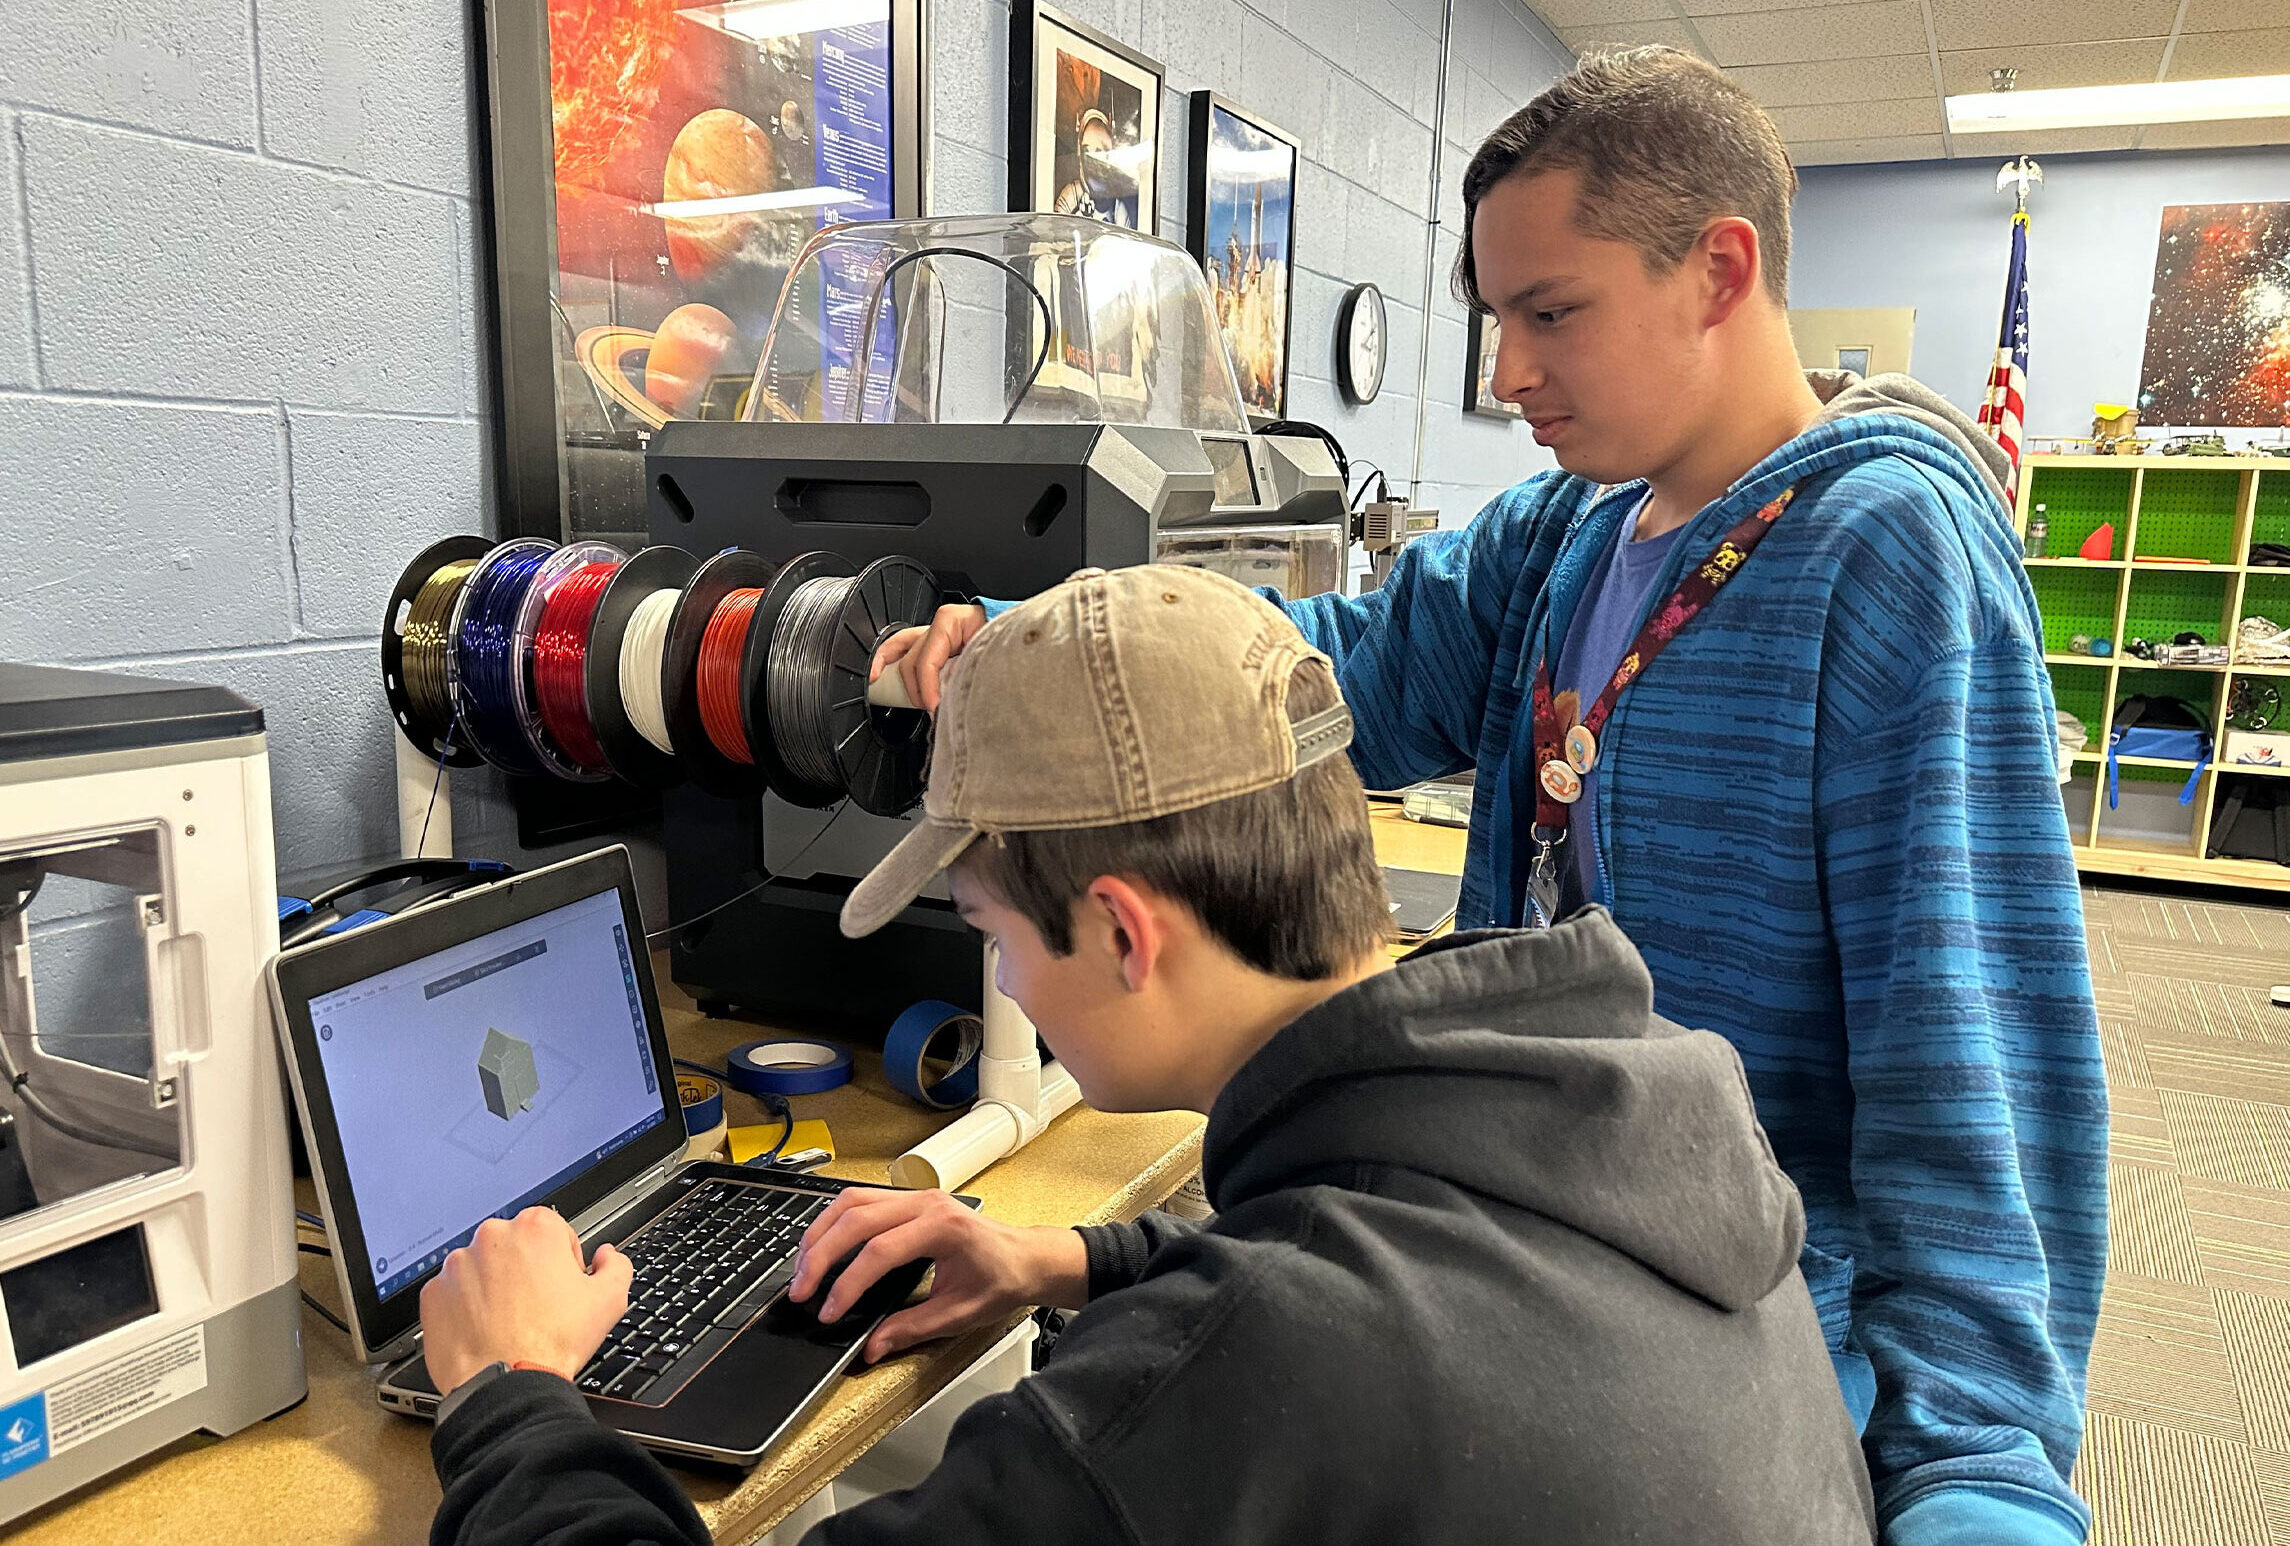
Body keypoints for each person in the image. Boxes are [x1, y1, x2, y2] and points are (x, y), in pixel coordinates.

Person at [874, 47, 2108, 1546]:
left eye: (1549, 313)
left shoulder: (1886, 556)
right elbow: (1314, 687)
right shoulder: (1567, 534)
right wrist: (1016, 652)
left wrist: (1975, 1478)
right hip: (1524, 1240)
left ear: (1717, 271)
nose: (1510, 371)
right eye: (1496, 319)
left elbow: (1970, 1059)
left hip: (1753, 1322)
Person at [421, 565, 1875, 1545]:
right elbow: (1401, 1293)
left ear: (1121, 932)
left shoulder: (1233, 1379)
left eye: (994, 926)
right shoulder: (1623, 1102)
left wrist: (510, 1398)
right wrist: (1080, 1261)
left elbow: (1269, 1369)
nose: (998, 973)